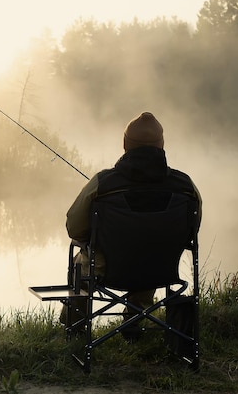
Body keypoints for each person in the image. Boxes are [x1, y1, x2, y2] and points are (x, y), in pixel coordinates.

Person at [61, 111, 202, 337]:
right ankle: (134, 322)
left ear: (125, 144)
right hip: (162, 269)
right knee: (150, 250)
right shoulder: (185, 185)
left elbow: (74, 228)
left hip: (108, 270)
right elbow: (191, 232)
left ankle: (75, 329)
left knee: (80, 263)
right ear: (162, 145)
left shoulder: (102, 183)